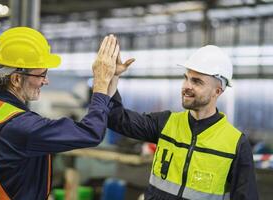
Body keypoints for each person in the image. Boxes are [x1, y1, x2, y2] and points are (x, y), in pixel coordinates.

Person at [0, 27, 126, 200]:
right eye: (42, 74)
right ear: (17, 79)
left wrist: (110, 83)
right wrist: (100, 84)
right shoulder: (21, 126)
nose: (46, 81)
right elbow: (91, 132)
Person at [107, 45, 259, 200]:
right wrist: (110, 79)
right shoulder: (166, 123)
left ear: (217, 91)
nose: (187, 86)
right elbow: (117, 119)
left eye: (197, 82)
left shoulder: (236, 144)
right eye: (186, 78)